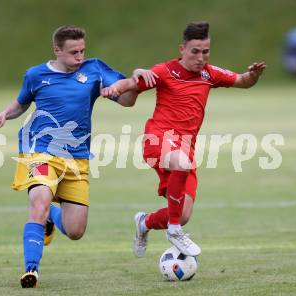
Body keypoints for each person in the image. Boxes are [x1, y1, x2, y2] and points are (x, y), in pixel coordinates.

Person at [0, 25, 155, 288]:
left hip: (77, 156)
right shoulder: (35, 75)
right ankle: (31, 270)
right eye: (73, 52)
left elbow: (127, 101)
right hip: (39, 150)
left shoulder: (94, 70)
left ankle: (52, 218)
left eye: (82, 51)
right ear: (56, 50)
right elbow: (21, 102)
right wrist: (3, 115)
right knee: (39, 201)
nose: (79, 57)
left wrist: (135, 84)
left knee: (75, 230)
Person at [101, 21, 266, 258]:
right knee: (180, 169)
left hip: (185, 149)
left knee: (182, 212)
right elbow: (128, 84)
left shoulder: (210, 74)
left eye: (206, 52)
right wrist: (113, 89)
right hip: (158, 139)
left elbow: (242, 81)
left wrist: (253, 75)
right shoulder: (164, 72)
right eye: (195, 52)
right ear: (182, 49)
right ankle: (175, 231)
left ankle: (144, 223)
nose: (201, 57)